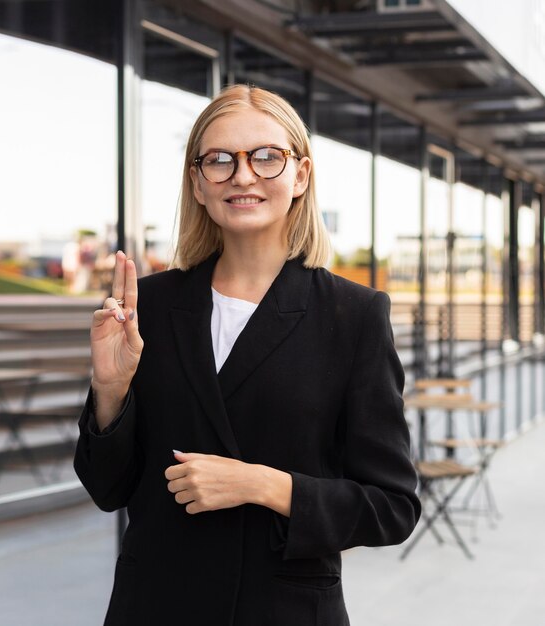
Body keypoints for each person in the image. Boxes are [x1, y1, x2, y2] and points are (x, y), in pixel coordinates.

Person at [74, 84, 421, 626]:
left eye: (266, 156)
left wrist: (263, 485)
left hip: (283, 611)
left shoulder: (354, 315)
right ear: (198, 182)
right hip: (157, 607)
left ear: (300, 175)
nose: (242, 175)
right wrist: (111, 390)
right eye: (219, 160)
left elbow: (393, 508)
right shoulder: (150, 307)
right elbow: (107, 488)